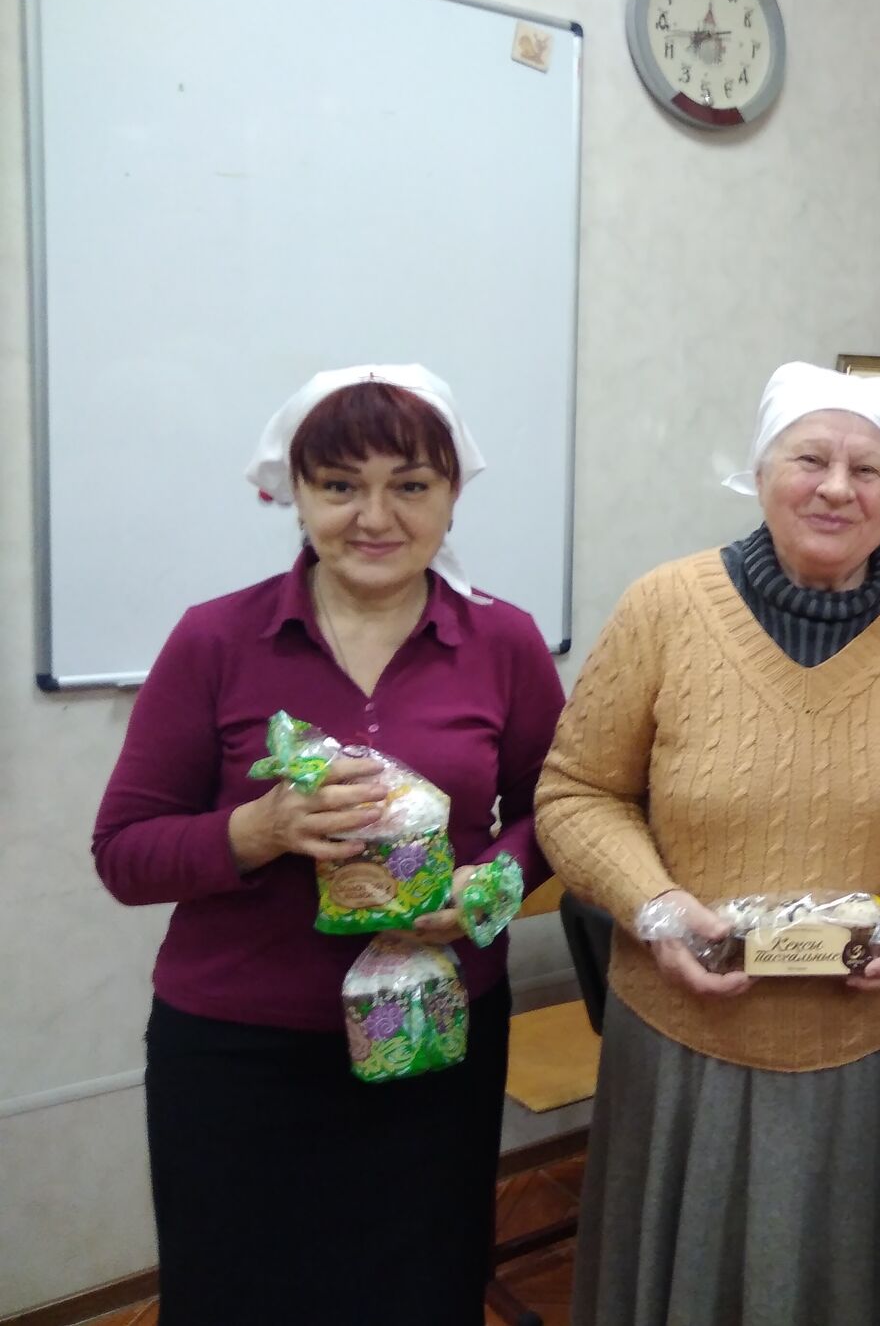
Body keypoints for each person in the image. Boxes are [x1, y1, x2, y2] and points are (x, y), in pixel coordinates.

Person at [93, 364, 564, 1326]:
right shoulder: (216, 640)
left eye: (410, 485)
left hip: (434, 1039)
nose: (374, 517)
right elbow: (124, 852)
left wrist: (489, 887)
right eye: (341, 485)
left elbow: (553, 813)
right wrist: (257, 831)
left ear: (452, 495)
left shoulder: (503, 642)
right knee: (236, 1296)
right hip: (239, 1053)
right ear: (295, 494)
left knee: (421, 1289)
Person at [537, 362, 880, 1326]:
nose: (836, 488)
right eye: (809, 459)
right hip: (686, 1047)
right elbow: (576, 794)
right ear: (760, 471)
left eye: (868, 469)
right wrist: (654, 905)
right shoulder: (664, 609)